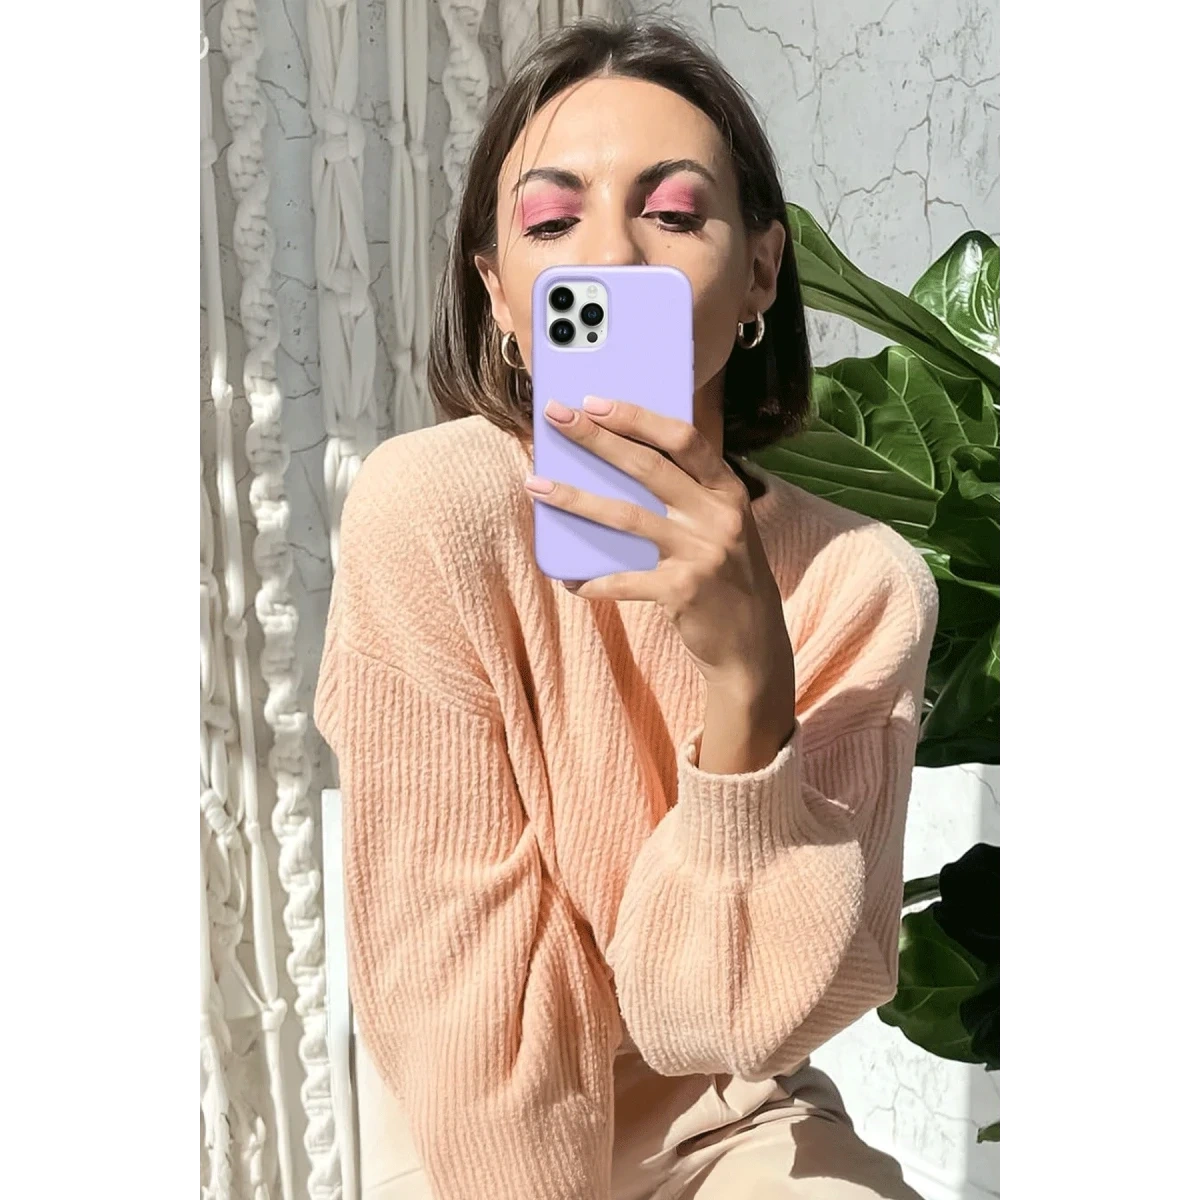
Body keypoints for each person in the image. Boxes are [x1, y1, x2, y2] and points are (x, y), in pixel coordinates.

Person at [315, 17, 938, 1200]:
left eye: (675, 211)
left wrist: (749, 683)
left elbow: (738, 1024)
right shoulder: (431, 512)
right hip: (471, 1129)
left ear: (762, 270)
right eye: (553, 222)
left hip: (733, 1113)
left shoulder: (860, 580)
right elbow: (465, 1004)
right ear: (500, 296)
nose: (611, 254)